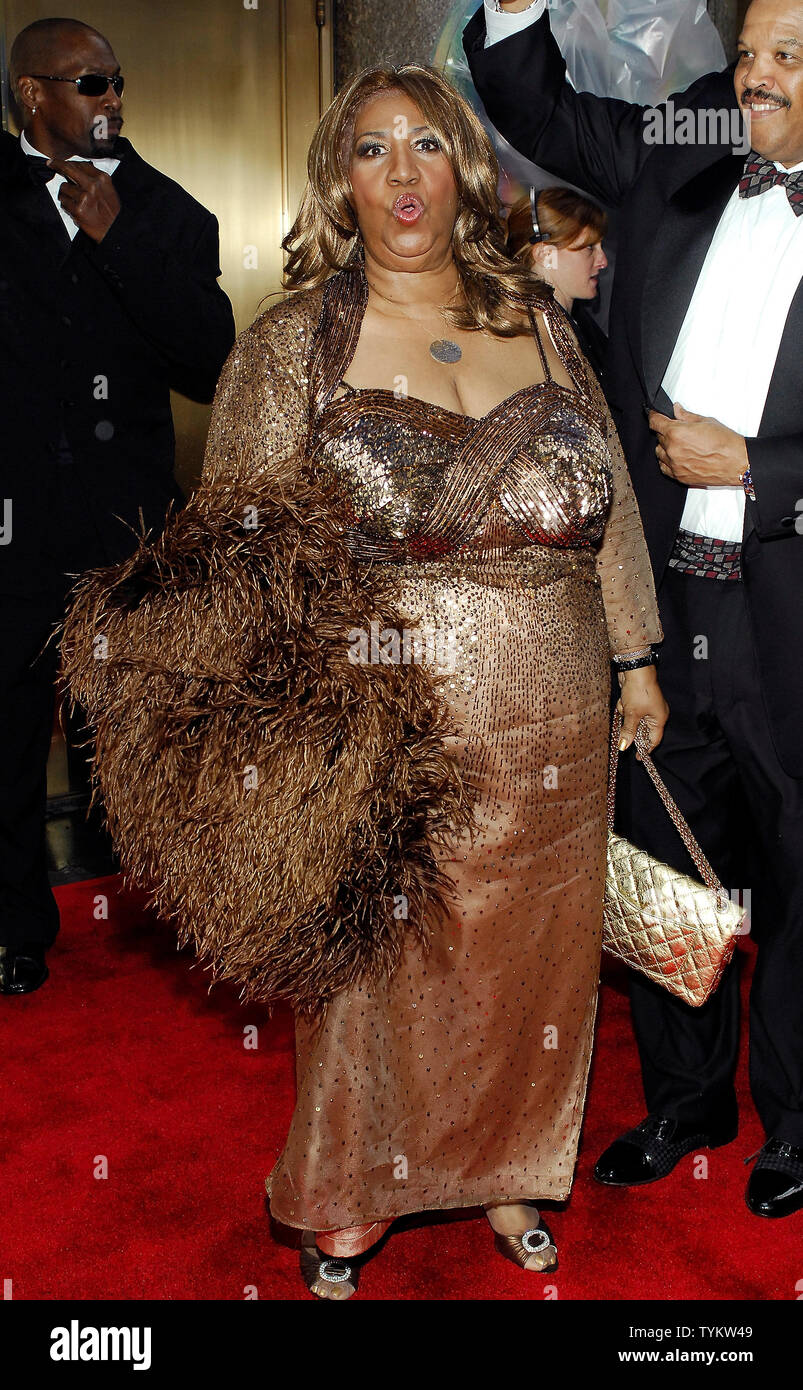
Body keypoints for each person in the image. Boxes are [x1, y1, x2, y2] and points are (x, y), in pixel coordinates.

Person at [62, 61, 667, 1298]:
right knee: (374, 971)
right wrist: (251, 723)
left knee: (536, 964)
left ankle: (511, 1168)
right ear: (339, 177)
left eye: (428, 146)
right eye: (372, 148)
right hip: (377, 719)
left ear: (469, 170)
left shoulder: (543, 327)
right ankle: (349, 1192)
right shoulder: (295, 343)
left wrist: (637, 657)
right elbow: (232, 542)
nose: (402, 174)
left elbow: (609, 514)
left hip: (554, 705)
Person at [464, 0, 803, 1218]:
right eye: (750, 49)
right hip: (665, 610)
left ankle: (795, 1119)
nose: (749, 75)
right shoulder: (682, 143)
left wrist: (759, 471)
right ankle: (684, 1096)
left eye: (781, 57)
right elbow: (532, 100)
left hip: (790, 613)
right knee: (666, 854)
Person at [0, 17, 235, 996]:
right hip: (11, 527)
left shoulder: (166, 211)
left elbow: (207, 352)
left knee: (139, 735)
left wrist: (121, 241)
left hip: (124, 528)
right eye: (89, 84)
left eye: (116, 84)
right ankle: (14, 929)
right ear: (32, 96)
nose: (111, 101)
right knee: (9, 737)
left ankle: (162, 918)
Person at [506, 184, 608, 376]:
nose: (603, 262)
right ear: (546, 255)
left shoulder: (576, 322)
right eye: (589, 248)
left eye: (601, 246)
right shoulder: (536, 340)